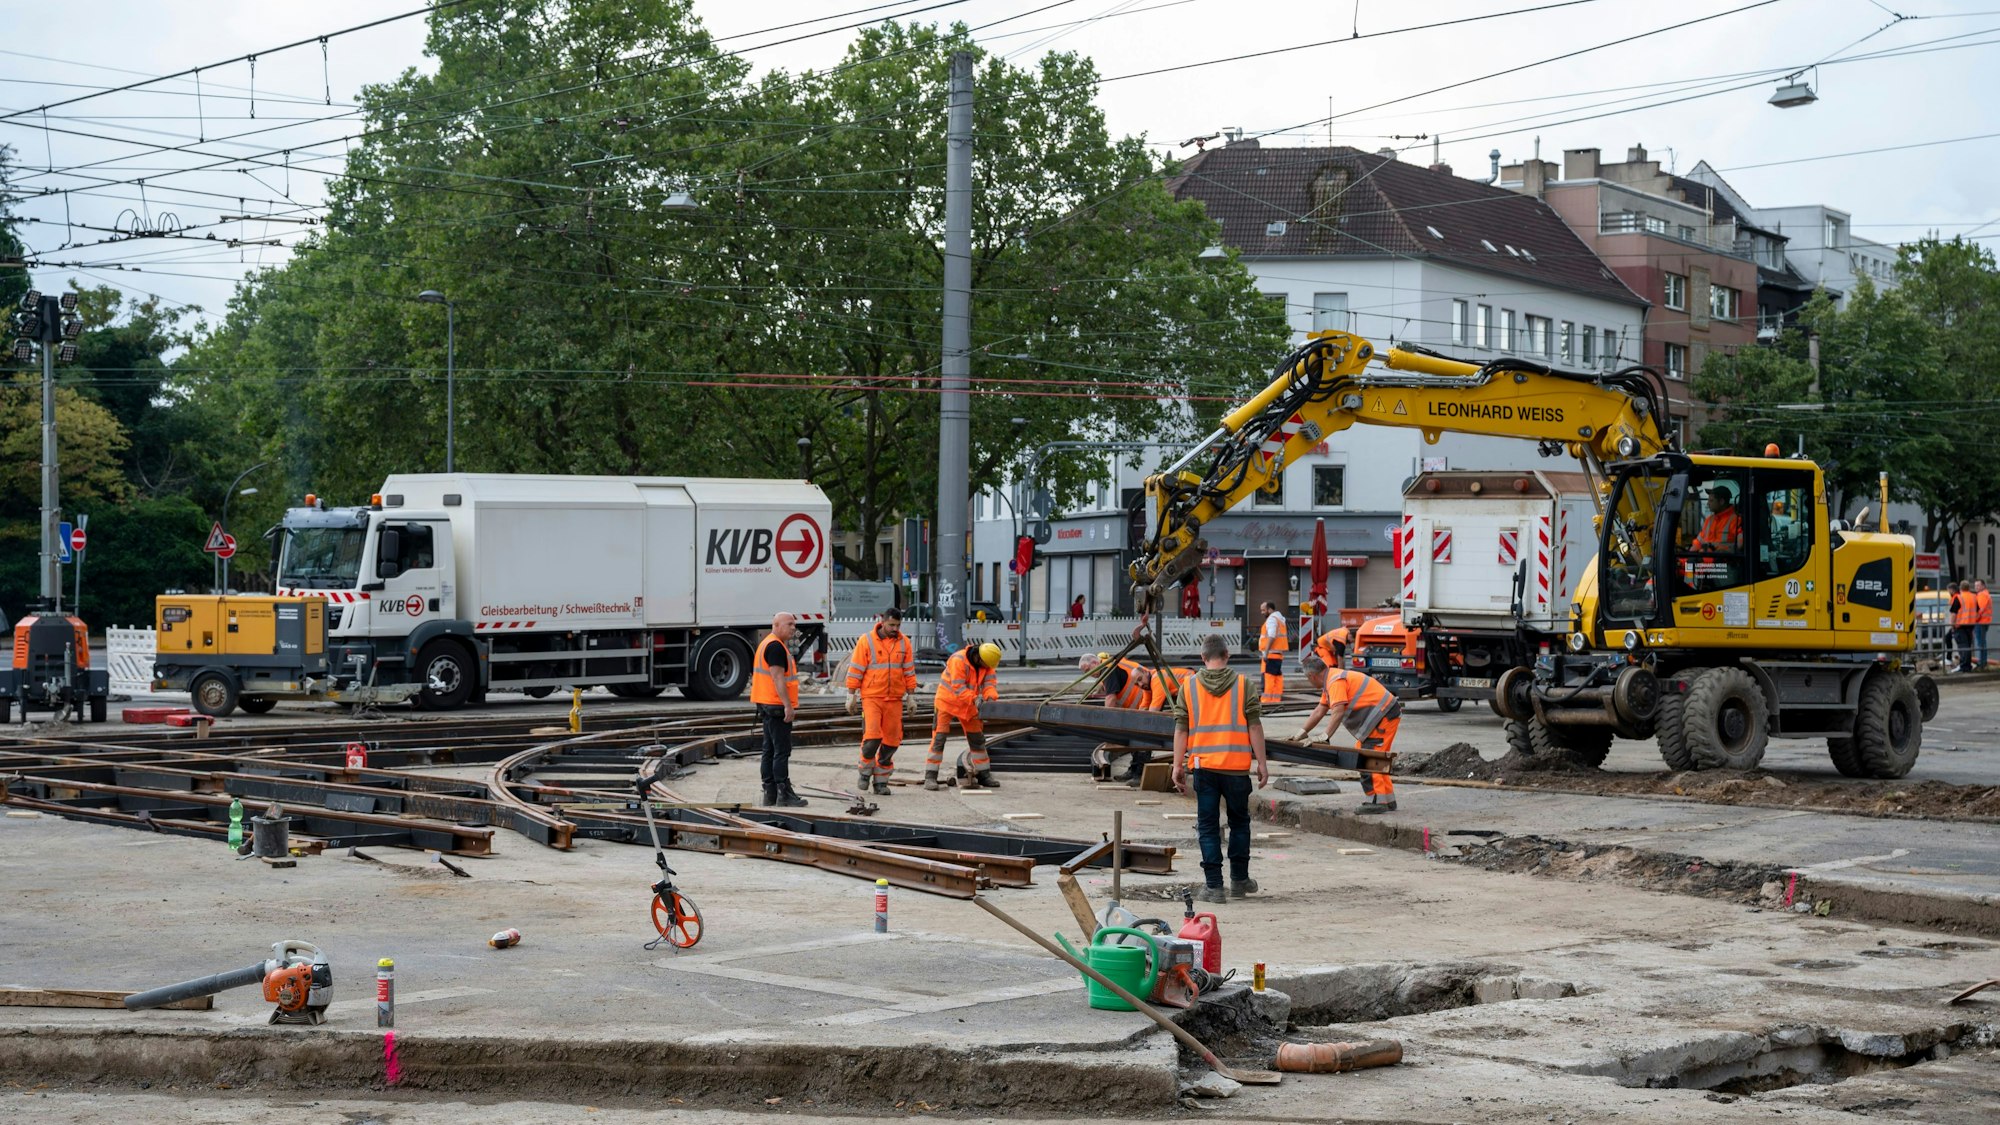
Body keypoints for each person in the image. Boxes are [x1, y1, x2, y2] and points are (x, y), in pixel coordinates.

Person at [1171, 634, 1269, 905]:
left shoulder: (1188, 686)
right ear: (1227, 655)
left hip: (1204, 768)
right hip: (1236, 768)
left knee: (1208, 826)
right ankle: (1239, 880)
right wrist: (1261, 763)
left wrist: (1177, 765)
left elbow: (1181, 728)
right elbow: (1255, 726)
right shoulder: (1243, 684)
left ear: (1203, 658)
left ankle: (1214, 887)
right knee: (1239, 823)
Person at [1295, 653, 1405, 814]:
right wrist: (1302, 732)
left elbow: (1338, 711)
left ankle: (1376, 801)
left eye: (1308, 679)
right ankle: (1387, 800)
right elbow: (1320, 710)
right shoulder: (1332, 679)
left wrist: (1325, 736)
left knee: (1368, 758)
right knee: (1376, 757)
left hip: (1382, 716)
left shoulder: (1335, 682)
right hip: (1384, 714)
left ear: (1312, 676)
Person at [845, 607, 916, 796]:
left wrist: (911, 696)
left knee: (892, 742)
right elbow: (856, 668)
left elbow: (908, 671)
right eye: (891, 624)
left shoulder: (904, 643)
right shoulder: (866, 641)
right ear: (882, 622)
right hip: (872, 697)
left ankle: (881, 782)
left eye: (898, 625)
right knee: (872, 738)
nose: (895, 628)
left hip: (894, 699)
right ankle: (865, 772)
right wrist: (851, 694)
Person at [927, 641, 1004, 790]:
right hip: (947, 703)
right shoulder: (958, 660)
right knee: (939, 739)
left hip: (968, 705)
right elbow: (958, 687)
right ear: (978, 657)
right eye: (985, 665)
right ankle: (930, 776)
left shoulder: (987, 664)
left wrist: (990, 698)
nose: (986, 668)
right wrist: (975, 699)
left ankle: (984, 775)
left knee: (977, 740)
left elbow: (989, 685)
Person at [751, 613, 807, 807]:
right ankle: (784, 793)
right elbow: (777, 678)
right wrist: (788, 706)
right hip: (776, 705)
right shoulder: (775, 647)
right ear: (776, 625)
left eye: (794, 624)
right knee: (781, 751)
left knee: (769, 749)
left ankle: (770, 793)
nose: (793, 628)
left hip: (766, 704)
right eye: (789, 624)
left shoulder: (768, 643)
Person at [1080, 652, 1157, 783]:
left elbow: (1111, 698)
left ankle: (1140, 774)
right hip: (1141, 704)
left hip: (1147, 702)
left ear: (1095, 663)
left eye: (1088, 670)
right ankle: (1133, 771)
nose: (1090, 674)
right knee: (1134, 738)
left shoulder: (1108, 669)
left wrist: (1106, 725)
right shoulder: (1109, 666)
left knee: (1143, 739)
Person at [1684, 484, 1744, 589]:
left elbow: (1740, 545)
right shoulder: (1709, 520)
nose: (1708, 504)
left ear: (1721, 501)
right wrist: (1688, 553)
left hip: (1723, 566)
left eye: (1711, 501)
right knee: (1686, 564)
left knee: (1691, 565)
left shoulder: (1736, 519)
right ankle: (1689, 590)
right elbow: (1699, 541)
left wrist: (1717, 550)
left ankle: (1691, 589)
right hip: (1706, 564)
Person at [1257, 600, 1289, 704]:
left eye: (1263, 610)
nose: (1262, 613)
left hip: (1270, 654)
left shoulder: (1271, 619)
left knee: (1268, 679)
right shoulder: (1279, 619)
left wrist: (1266, 652)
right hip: (1278, 654)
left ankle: (1266, 701)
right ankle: (1275, 700)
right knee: (1276, 678)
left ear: (1270, 610)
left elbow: (1272, 635)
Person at [1954, 580, 1978, 674]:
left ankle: (1963, 667)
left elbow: (1953, 613)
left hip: (1961, 625)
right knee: (1967, 646)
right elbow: (1978, 610)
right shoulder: (1974, 597)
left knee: (1963, 647)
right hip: (1971, 625)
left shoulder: (1959, 597)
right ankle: (1967, 666)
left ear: (1960, 587)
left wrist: (1952, 625)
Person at [1975, 579, 1992, 671]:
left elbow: (1979, 610)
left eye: (1978, 585)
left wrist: (1974, 620)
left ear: (1983, 586)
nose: (1976, 587)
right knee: (1982, 643)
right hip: (1985, 621)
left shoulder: (1982, 595)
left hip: (1981, 622)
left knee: (1981, 643)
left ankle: (1981, 663)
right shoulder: (1986, 594)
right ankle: (1983, 662)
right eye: (1975, 585)